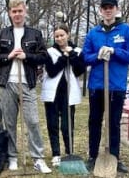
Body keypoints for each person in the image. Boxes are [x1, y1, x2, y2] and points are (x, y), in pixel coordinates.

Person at [0, 0, 52, 174]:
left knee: (33, 121)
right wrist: (8, 56)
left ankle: (38, 159)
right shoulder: (2, 34)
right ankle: (12, 157)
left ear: (25, 12)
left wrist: (27, 56)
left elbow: (44, 56)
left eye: (20, 11)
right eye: (14, 11)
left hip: (28, 84)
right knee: (9, 122)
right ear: (9, 13)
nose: (17, 14)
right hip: (7, 84)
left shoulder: (35, 34)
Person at [82, 0, 129, 174]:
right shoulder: (93, 33)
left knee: (113, 123)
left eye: (111, 7)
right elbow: (85, 57)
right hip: (97, 85)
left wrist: (115, 51)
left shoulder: (125, 30)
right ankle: (93, 156)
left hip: (116, 86)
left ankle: (114, 157)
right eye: (104, 7)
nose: (107, 10)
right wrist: (98, 56)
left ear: (116, 9)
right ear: (100, 10)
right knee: (95, 122)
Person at [41, 23, 86, 167]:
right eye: (57, 36)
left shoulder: (77, 51)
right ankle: (56, 153)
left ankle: (69, 151)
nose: (59, 38)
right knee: (52, 124)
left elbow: (79, 70)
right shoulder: (49, 52)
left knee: (67, 125)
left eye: (62, 35)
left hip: (69, 93)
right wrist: (63, 57)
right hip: (52, 94)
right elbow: (52, 71)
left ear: (68, 35)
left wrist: (70, 54)